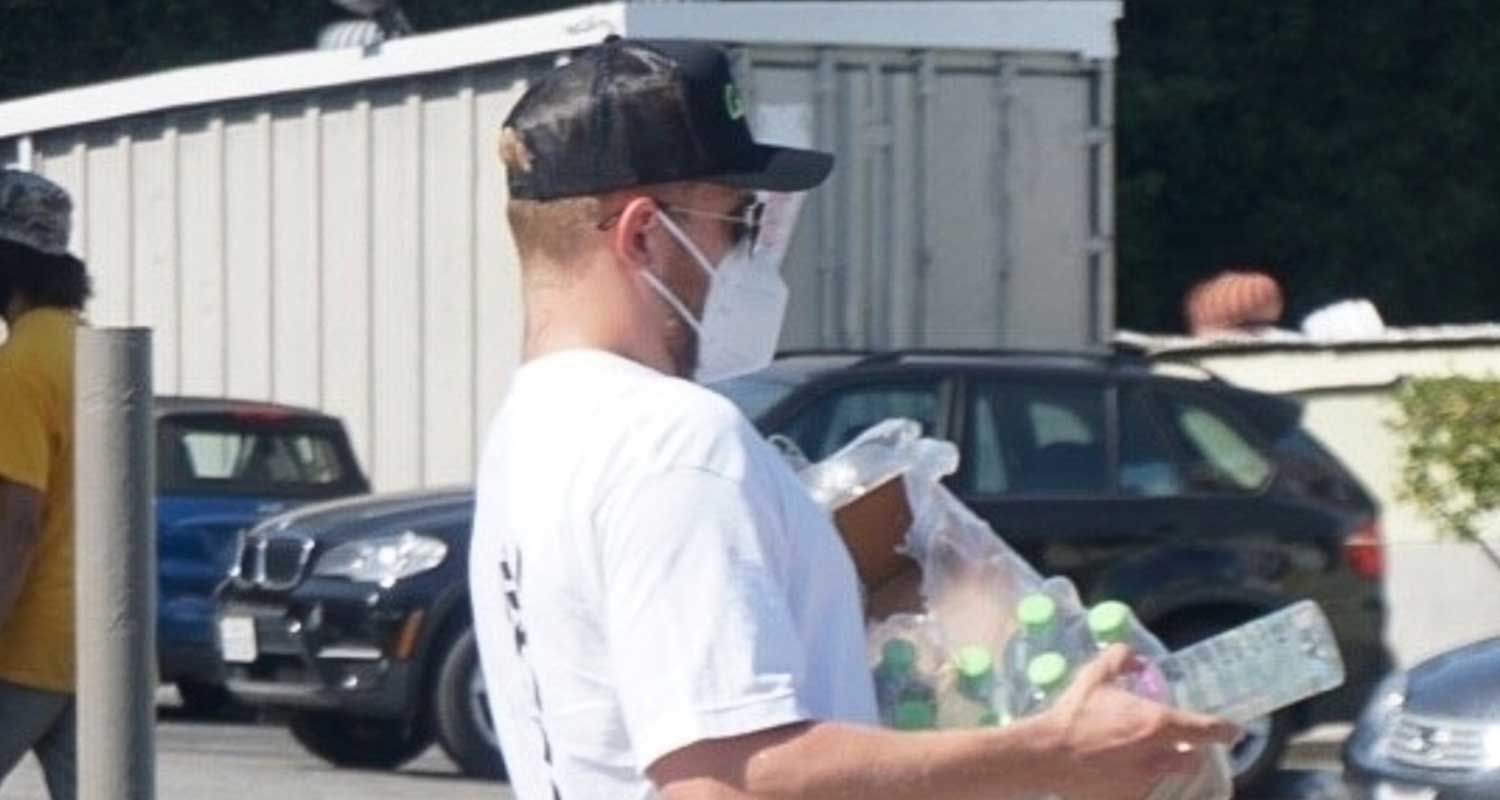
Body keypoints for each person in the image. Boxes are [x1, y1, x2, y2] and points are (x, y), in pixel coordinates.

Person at [469, 38, 1236, 800]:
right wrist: (1047, 750)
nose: (754, 256)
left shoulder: (528, 435)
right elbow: (726, 780)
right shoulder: (673, 439)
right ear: (642, 234)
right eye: (738, 222)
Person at [0, 168, 90, 800]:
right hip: (103, 646)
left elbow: (18, 523)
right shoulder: (96, 353)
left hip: (25, 649)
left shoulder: (19, 369)